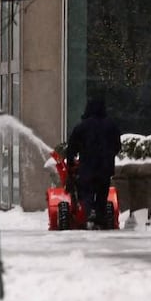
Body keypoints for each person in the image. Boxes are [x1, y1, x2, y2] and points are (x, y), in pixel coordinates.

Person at [65, 96, 121, 229]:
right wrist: (109, 154)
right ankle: (100, 218)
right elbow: (117, 146)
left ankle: (90, 211)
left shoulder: (82, 126)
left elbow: (72, 146)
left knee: (86, 191)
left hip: (88, 167)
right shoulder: (111, 125)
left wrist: (71, 161)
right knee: (102, 192)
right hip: (105, 167)